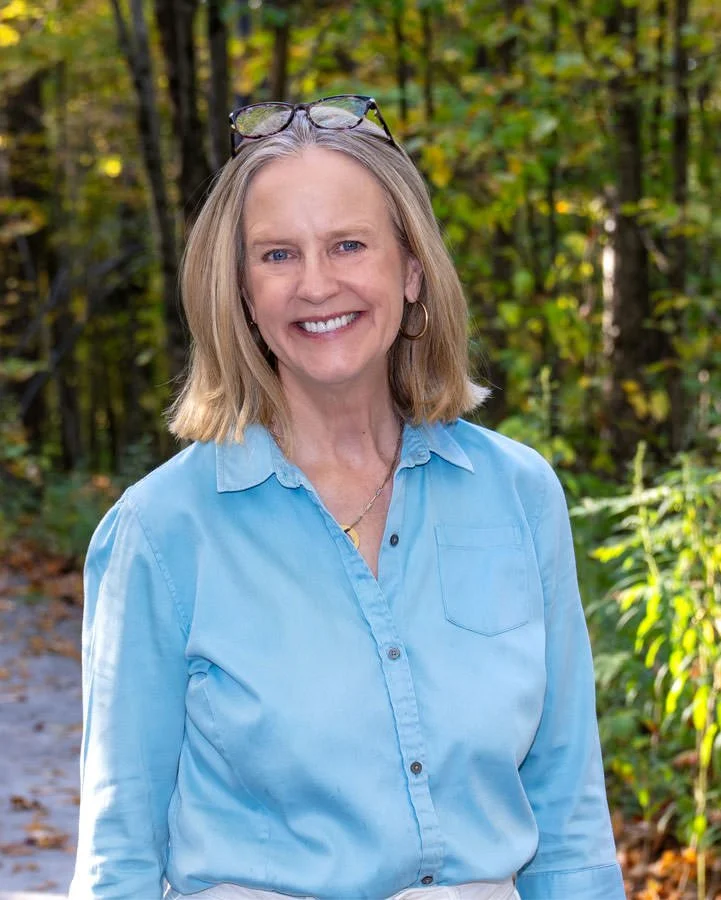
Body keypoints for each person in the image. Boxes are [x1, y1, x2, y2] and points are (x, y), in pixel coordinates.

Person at [69, 95, 625, 900]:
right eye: (277, 255)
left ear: (411, 269)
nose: (316, 284)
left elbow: (567, 819)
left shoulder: (518, 495)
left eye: (348, 244)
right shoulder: (159, 533)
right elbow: (118, 858)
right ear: (242, 295)